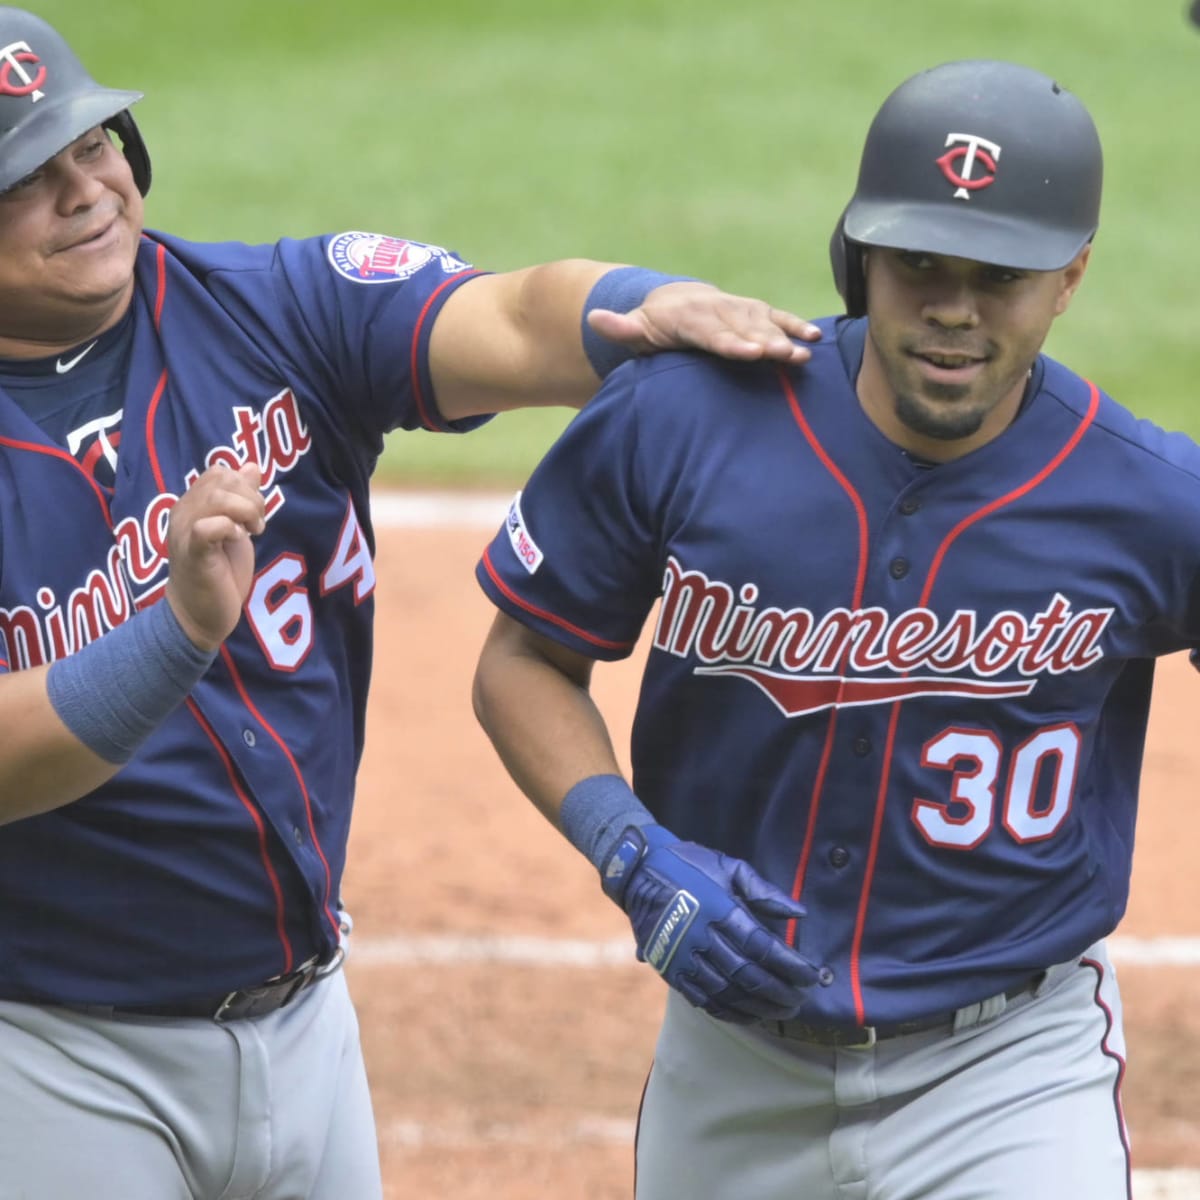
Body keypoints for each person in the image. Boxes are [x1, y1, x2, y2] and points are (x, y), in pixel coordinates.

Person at [0, 7, 826, 1199]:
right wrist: (174, 637)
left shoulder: (275, 310)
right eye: (27, 176)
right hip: (51, 1056)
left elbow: (511, 315)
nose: (86, 190)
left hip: (309, 1028)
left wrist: (647, 303)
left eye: (95, 144)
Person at [472, 58, 1184, 1199]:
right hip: (730, 1056)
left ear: (1071, 277)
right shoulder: (685, 419)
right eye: (918, 265)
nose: (953, 307)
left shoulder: (1149, 497)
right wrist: (631, 850)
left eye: (999, 275)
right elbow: (524, 661)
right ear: (859, 252)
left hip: (1008, 1076)